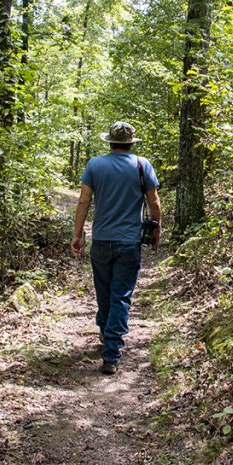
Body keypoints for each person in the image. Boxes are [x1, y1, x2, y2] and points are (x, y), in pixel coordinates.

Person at [71, 121, 161, 375]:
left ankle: (106, 330)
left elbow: (83, 201)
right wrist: (157, 228)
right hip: (129, 241)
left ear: (109, 141)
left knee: (104, 290)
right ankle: (111, 353)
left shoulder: (95, 165)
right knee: (120, 295)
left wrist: (77, 235)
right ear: (131, 142)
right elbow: (154, 202)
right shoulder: (142, 165)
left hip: (101, 240)